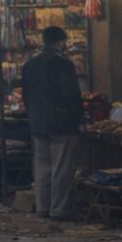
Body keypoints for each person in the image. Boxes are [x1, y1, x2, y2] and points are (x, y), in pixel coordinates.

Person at [22, 25, 85, 220]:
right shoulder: (63, 63)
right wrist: (79, 119)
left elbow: (26, 95)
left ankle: (42, 207)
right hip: (62, 123)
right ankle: (58, 209)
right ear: (60, 42)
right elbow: (71, 95)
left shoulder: (30, 64)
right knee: (61, 168)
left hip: (38, 123)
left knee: (42, 168)